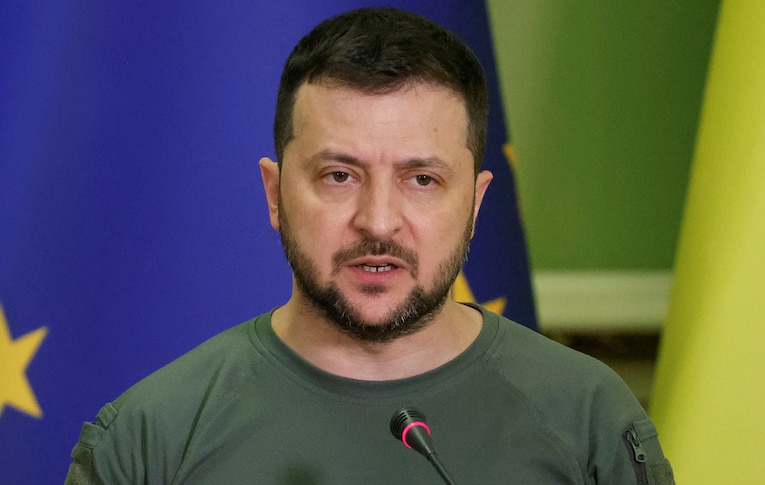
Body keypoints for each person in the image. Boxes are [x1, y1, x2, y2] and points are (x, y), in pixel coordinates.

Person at [66, 7, 674, 484]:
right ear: (275, 194)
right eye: (339, 176)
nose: (379, 222)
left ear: (475, 204)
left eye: (422, 180)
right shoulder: (152, 439)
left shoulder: (588, 418)